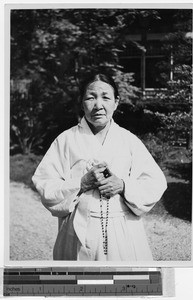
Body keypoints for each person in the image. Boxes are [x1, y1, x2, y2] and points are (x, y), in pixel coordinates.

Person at [32, 73, 167, 261]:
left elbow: (155, 182)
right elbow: (45, 183)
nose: (98, 105)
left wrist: (123, 185)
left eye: (105, 97)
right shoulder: (66, 140)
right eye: (90, 97)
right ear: (81, 103)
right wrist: (81, 183)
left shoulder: (128, 141)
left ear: (116, 102)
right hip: (77, 232)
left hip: (122, 230)